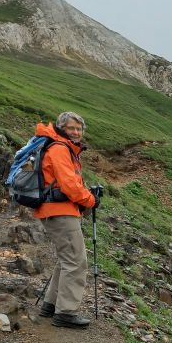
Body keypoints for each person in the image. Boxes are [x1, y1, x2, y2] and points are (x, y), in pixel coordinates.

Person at [34, 112, 101, 328]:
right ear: (62, 128)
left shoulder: (61, 148)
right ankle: (66, 313)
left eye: (79, 129)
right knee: (76, 261)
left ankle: (51, 305)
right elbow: (70, 186)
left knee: (66, 260)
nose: (76, 132)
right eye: (72, 128)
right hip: (61, 211)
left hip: (55, 210)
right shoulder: (60, 149)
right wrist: (92, 200)